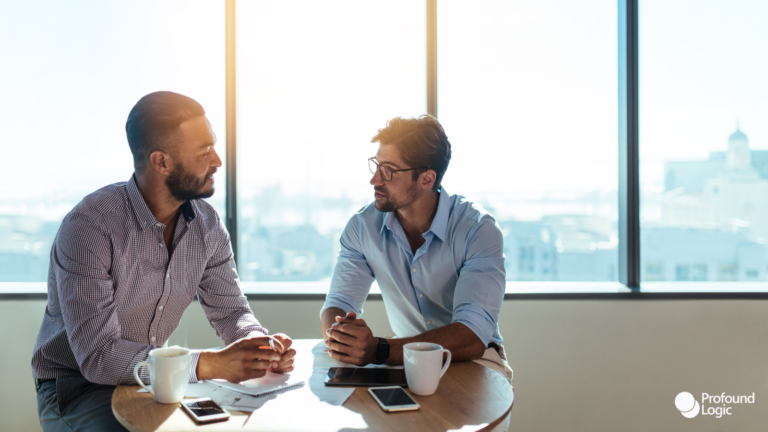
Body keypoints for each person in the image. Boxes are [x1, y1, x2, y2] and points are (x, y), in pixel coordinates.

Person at [31, 91, 295, 432]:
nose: (217, 160)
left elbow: (232, 311)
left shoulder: (208, 226)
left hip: (158, 378)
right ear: (161, 161)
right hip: (76, 387)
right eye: (204, 152)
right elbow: (99, 358)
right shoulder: (89, 227)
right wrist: (211, 363)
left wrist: (260, 345)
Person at [320, 115, 512, 381]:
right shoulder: (362, 227)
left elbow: (471, 335)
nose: (375, 179)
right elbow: (338, 304)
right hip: (405, 358)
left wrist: (380, 350)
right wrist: (342, 338)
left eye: (388, 170)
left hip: (476, 360)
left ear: (426, 179)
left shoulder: (478, 230)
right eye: (376, 165)